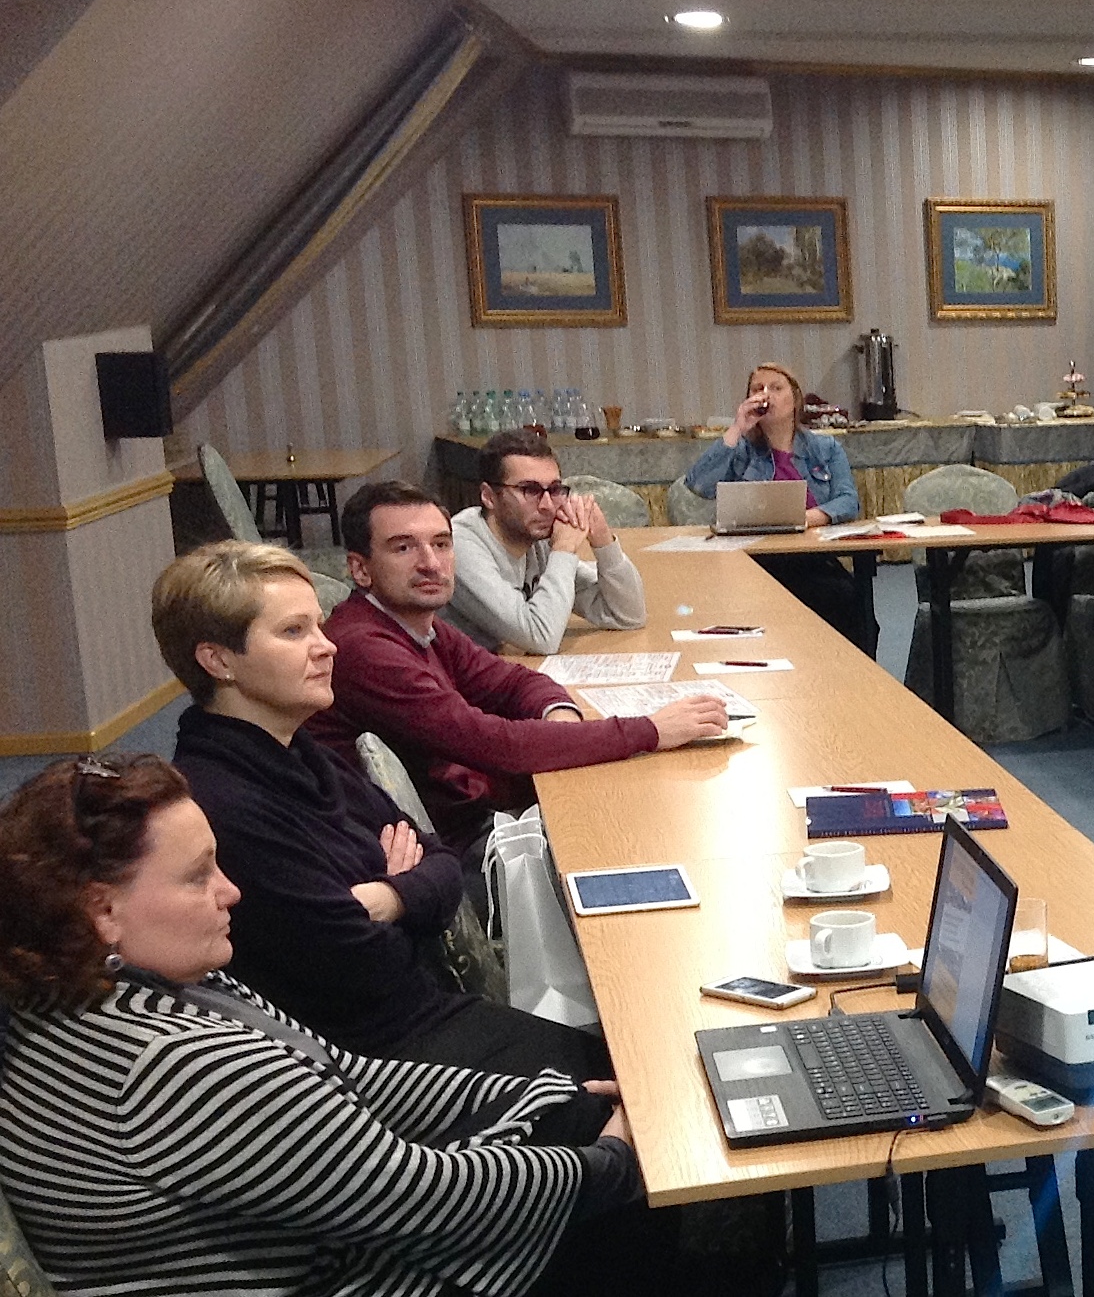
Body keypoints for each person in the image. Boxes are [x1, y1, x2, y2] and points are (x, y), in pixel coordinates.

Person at [0, 753, 645, 1297]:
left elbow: (350, 1077)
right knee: (632, 1205)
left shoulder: (118, 984)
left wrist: (540, 1097)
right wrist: (608, 1165)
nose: (230, 891)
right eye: (197, 878)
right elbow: (414, 1197)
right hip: (335, 1273)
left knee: (577, 1118)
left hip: (320, 1236)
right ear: (102, 911)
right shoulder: (167, 1066)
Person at [153, 541, 623, 1078]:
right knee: (640, 1082)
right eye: (293, 632)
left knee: (638, 1053)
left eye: (318, 626)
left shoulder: (299, 752)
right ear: (218, 660)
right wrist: (406, 896)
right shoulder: (223, 804)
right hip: (376, 1066)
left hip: (427, 1015)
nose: (326, 646)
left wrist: (388, 897)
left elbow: (440, 861)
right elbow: (366, 967)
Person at [306, 481, 729, 854]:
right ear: (360, 569)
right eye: (403, 547)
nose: (431, 563)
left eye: (441, 544)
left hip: (470, 819)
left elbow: (511, 680)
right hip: (445, 853)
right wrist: (651, 730)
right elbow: (495, 744)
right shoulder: (364, 648)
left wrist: (560, 717)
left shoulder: (415, 624)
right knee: (649, 827)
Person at [684, 362, 865, 640]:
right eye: (758, 389)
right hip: (755, 562)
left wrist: (804, 518)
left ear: (795, 399)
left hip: (812, 558)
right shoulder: (742, 451)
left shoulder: (825, 448)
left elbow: (848, 501)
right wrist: (737, 429)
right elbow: (699, 484)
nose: (766, 395)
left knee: (851, 605)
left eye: (776, 388)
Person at [446, 427, 646, 654]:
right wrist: (564, 550)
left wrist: (603, 541)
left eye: (555, 489)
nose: (547, 505)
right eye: (530, 490)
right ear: (489, 496)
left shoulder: (536, 540)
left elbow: (629, 615)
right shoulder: (459, 547)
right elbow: (541, 638)